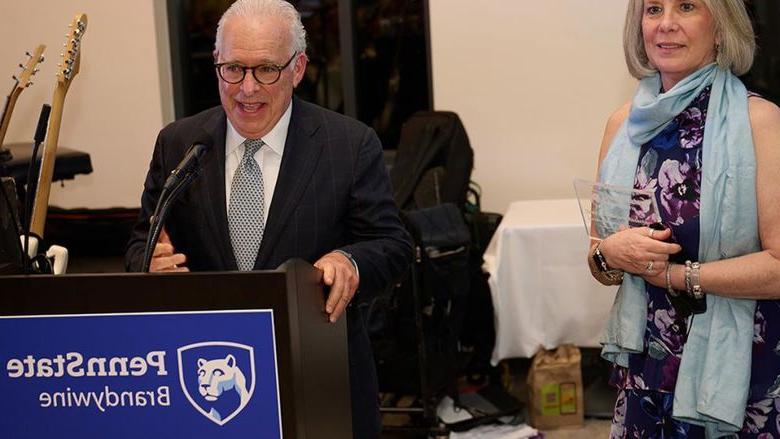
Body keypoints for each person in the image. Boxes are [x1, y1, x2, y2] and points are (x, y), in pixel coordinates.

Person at [125, 0, 412, 437]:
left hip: (317, 377)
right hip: (207, 382)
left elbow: (392, 246)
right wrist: (149, 264)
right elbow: (139, 242)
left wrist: (350, 261)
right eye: (233, 69)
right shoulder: (180, 143)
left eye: (266, 70)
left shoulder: (348, 145)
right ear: (216, 64)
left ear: (297, 69)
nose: (247, 88)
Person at [586, 0, 780, 437]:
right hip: (647, 364)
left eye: (687, 6)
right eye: (653, 8)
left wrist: (679, 276)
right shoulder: (622, 126)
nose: (666, 24)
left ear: (720, 28)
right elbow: (599, 260)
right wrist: (610, 253)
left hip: (742, 371)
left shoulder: (761, 123)